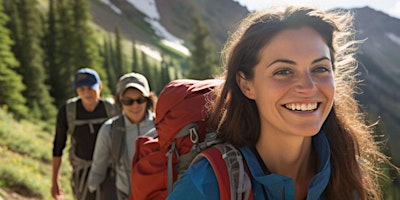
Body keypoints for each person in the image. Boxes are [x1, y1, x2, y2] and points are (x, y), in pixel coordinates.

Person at [167, 6, 394, 200]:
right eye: (283, 71)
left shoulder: (346, 169)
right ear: (247, 85)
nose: (308, 87)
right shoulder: (207, 184)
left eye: (320, 69)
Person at [88, 72, 157, 200]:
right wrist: (91, 190)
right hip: (123, 194)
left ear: (148, 99)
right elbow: (98, 167)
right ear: (120, 102)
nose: (135, 105)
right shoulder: (109, 129)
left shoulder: (161, 126)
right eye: (128, 101)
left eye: (140, 100)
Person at [51, 68, 117, 200]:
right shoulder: (68, 111)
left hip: (109, 170)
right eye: (81, 89)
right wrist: (55, 181)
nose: (86, 93)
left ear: (100, 86)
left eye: (90, 88)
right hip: (82, 172)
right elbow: (58, 146)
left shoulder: (111, 109)